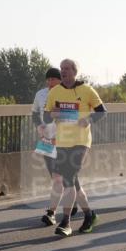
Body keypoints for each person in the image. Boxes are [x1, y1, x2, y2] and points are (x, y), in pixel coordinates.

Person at [44, 58, 107, 236]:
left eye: (66, 69)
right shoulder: (54, 91)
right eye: (61, 69)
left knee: (69, 178)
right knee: (74, 184)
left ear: (74, 71)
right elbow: (47, 116)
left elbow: (102, 111)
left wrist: (89, 119)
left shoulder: (86, 90)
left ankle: (65, 222)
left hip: (81, 142)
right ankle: (89, 215)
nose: (63, 71)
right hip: (62, 142)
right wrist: (53, 114)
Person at [32, 68, 80, 226]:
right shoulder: (40, 94)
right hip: (46, 139)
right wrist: (39, 126)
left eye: (54, 79)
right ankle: (66, 205)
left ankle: (54, 211)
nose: (50, 82)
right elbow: (34, 113)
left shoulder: (68, 93)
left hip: (65, 141)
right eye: (48, 79)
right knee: (55, 176)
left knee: (66, 177)